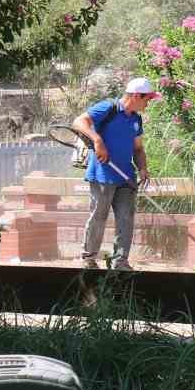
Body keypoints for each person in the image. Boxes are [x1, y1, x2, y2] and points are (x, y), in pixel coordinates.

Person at [73, 76, 158, 272]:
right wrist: (97, 141)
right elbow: (79, 122)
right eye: (147, 99)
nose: (148, 103)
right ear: (136, 95)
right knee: (98, 217)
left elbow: (138, 148)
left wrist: (143, 168)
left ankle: (120, 262)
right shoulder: (108, 108)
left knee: (126, 219)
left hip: (126, 177)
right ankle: (89, 259)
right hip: (102, 174)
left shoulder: (136, 118)